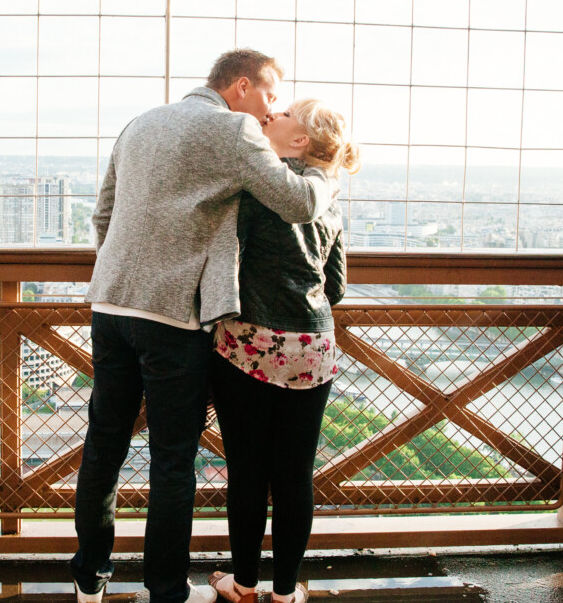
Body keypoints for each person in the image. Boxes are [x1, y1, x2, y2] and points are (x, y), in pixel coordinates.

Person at [73, 50, 337, 603]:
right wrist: (324, 168)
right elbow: (296, 202)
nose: (268, 114)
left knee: (104, 446)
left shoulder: (140, 122)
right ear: (242, 86)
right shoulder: (234, 128)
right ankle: (166, 589)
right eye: (268, 98)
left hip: (111, 306)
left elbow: (104, 213)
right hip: (174, 317)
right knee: (173, 459)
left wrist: (124, 275)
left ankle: (89, 579)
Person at [206, 99, 358, 603]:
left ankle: (245, 583)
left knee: (248, 470)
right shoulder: (328, 197)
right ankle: (287, 592)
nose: (272, 115)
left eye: (286, 114)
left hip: (249, 343)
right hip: (313, 347)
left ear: (300, 141)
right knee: (295, 475)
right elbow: (334, 286)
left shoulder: (255, 187)